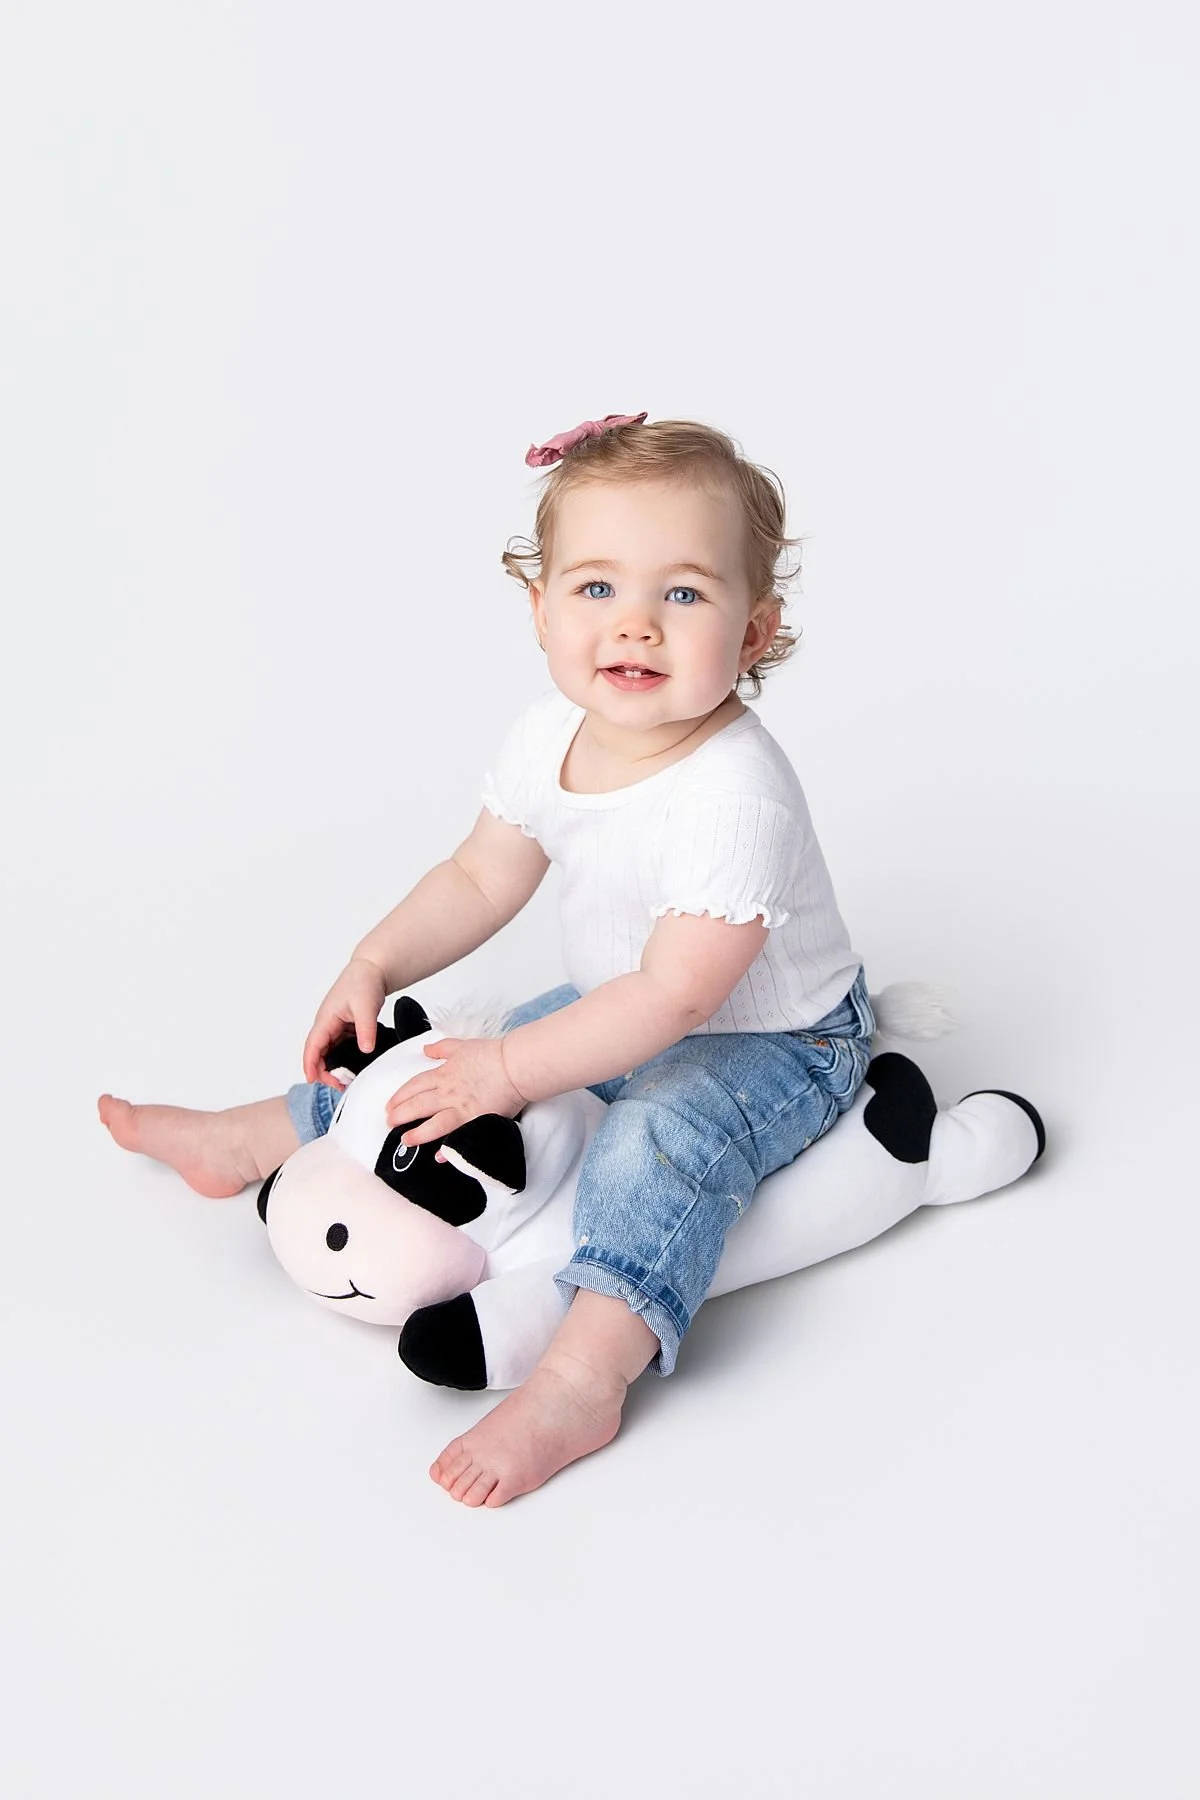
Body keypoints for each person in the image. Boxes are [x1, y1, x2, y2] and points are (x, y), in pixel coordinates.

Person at [99, 413, 875, 1508]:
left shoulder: (733, 794)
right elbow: (479, 876)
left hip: (773, 1037)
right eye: (597, 589)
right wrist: (376, 960)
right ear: (540, 606)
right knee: (450, 1058)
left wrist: (513, 1073)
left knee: (657, 1135)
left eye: (685, 595)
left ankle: (581, 1375)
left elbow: (679, 993)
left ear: (754, 633)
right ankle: (251, 1136)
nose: (637, 627)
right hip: (630, 1000)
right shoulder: (547, 736)